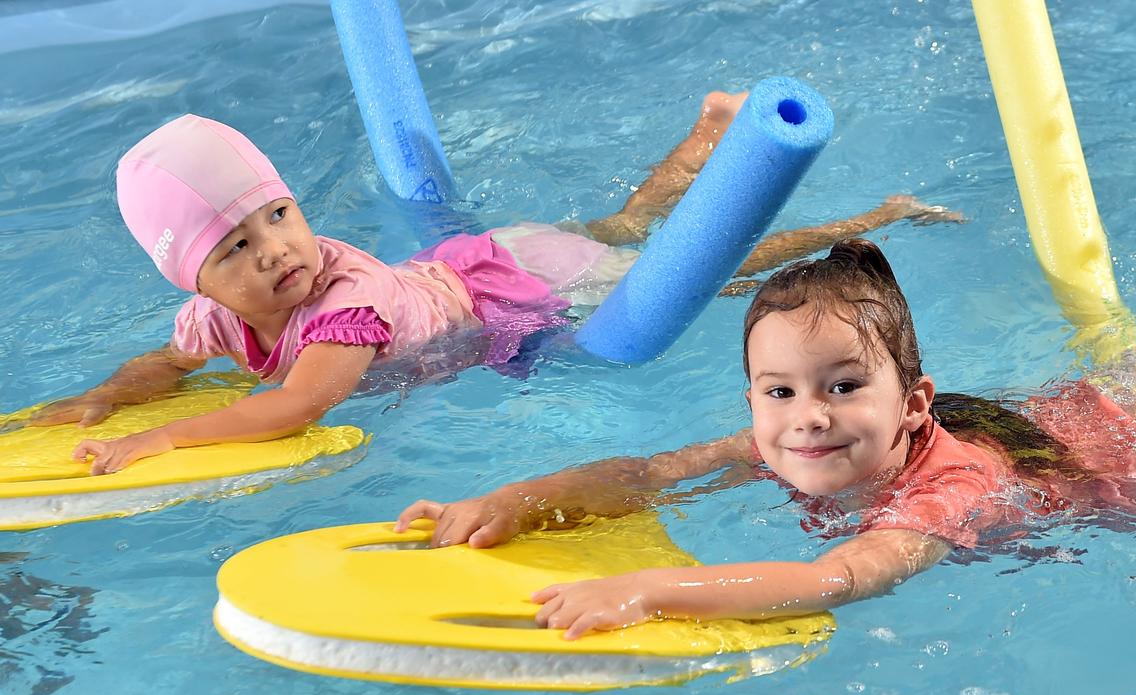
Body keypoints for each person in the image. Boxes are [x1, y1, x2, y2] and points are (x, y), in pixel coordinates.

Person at [27, 93, 963, 475]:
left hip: (521, 287)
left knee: (703, 270)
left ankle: (867, 217)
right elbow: (170, 357)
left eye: (277, 215)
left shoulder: (342, 310)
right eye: (233, 248)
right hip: (491, 258)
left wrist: (155, 441)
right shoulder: (213, 320)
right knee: (635, 229)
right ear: (197, 279)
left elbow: (292, 411)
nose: (274, 251)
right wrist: (106, 396)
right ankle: (711, 134)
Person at [393, 236, 1136, 640]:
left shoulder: (949, 486)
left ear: (913, 404)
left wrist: (653, 590)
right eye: (779, 392)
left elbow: (837, 577)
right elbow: (648, 472)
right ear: (754, 400)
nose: (807, 415)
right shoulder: (788, 441)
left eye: (843, 387)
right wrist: (511, 502)